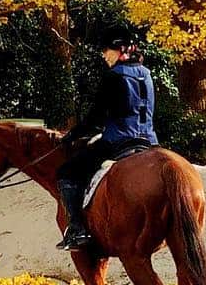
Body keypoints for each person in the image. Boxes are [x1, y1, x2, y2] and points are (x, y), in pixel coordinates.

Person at [55, 34, 158, 250]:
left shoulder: (114, 76)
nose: (104, 55)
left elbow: (95, 117)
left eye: (106, 50)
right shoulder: (147, 74)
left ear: (120, 51)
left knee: (67, 173)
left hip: (119, 140)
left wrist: (71, 136)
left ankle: (77, 229)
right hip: (148, 140)